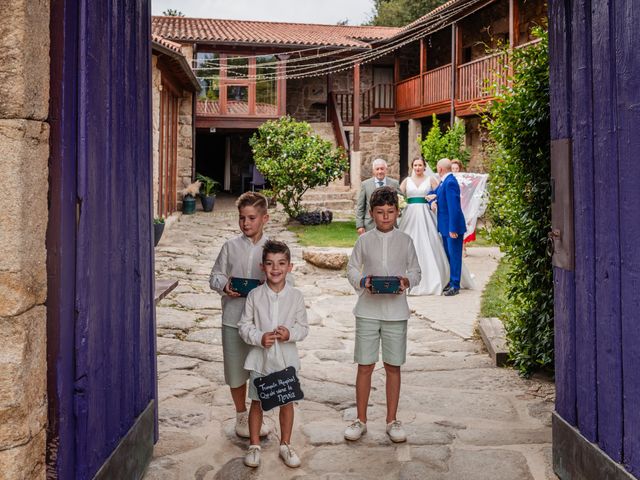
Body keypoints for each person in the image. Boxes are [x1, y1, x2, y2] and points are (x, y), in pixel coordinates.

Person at [345, 187, 421, 443]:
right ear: (372, 213)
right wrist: (363, 281)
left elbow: (416, 271)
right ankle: (360, 419)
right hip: (367, 311)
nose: (386, 217)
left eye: (390, 212)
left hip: (396, 313)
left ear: (397, 212)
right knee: (365, 365)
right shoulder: (363, 241)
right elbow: (352, 270)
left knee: (393, 366)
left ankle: (392, 419)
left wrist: (406, 281)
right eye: (380, 212)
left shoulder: (406, 241)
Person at [238, 240, 309, 468]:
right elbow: (244, 326)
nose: (275, 268)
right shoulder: (255, 296)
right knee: (257, 402)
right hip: (261, 361)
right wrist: (259, 337)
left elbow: (304, 328)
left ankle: (286, 444)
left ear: (290, 266)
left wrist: (290, 334)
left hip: (286, 362)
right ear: (262, 266)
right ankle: (255, 445)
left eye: (281, 263)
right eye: (269, 263)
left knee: (287, 403)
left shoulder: (296, 297)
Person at [209, 192, 271, 439]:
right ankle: (240, 414)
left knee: (260, 370)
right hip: (232, 320)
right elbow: (214, 276)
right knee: (235, 370)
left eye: (252, 218)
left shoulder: (272, 249)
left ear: (265, 218)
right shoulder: (229, 247)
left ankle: (259, 413)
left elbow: (287, 281)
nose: (246, 223)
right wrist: (225, 286)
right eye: (242, 218)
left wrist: (268, 282)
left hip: (261, 324)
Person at [398, 157, 450, 295]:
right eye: (415, 165)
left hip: (426, 214)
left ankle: (433, 278)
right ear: (412, 166)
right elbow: (398, 194)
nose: (417, 168)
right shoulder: (407, 181)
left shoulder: (431, 180)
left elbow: (440, 194)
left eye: (420, 165)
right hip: (409, 215)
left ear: (424, 167)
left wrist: (434, 201)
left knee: (429, 241)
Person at [434, 158, 467, 297]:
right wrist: (430, 197)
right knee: (448, 255)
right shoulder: (444, 182)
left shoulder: (450, 182)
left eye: (437, 168)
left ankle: (455, 285)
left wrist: (453, 229)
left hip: (452, 227)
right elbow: (435, 191)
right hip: (445, 226)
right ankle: (451, 281)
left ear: (440, 169)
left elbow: (454, 208)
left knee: (454, 256)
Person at [355, 158, 400, 234]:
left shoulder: (394, 184)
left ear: (386, 170)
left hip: (389, 223)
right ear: (373, 171)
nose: (380, 171)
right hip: (370, 224)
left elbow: (400, 202)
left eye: (382, 169)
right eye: (377, 169)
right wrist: (359, 225)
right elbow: (360, 207)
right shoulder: (365, 184)